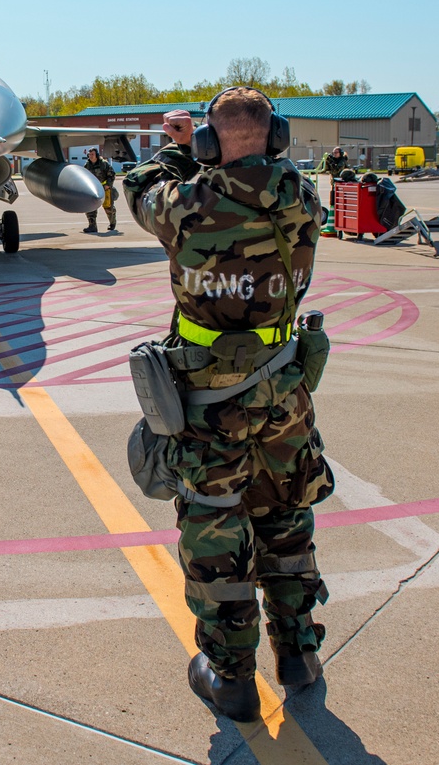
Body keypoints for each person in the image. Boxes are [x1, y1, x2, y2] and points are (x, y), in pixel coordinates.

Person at [124, 88, 334, 722]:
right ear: (279, 137)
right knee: (287, 517)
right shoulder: (302, 200)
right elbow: (264, 180)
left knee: (216, 526)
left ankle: (231, 678)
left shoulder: (185, 205)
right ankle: (296, 653)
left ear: (211, 143)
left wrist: (177, 146)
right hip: (285, 396)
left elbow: (137, 186)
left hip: (211, 403)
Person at [83, 147, 117, 233]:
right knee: (90, 208)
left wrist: (108, 185)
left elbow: (112, 174)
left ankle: (112, 223)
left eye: (92, 154)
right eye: (89, 154)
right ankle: (92, 226)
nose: (90, 156)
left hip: (105, 189)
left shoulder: (104, 164)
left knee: (109, 208)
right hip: (93, 190)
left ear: (96, 155)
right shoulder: (87, 165)